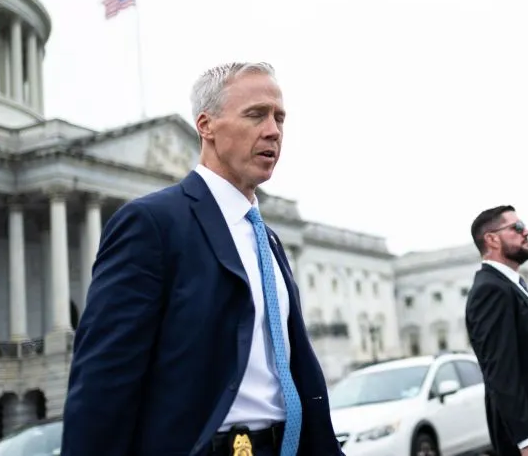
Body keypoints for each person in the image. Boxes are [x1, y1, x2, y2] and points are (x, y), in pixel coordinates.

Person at [60, 63, 343, 456]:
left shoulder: (270, 241)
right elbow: (103, 383)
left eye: (279, 118)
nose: (273, 131)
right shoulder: (151, 224)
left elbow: (293, 371)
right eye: (255, 114)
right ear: (206, 126)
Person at [465, 206, 528, 456]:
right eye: (516, 227)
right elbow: (501, 374)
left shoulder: (514, 285)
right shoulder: (490, 291)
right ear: (491, 239)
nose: (526, 231)